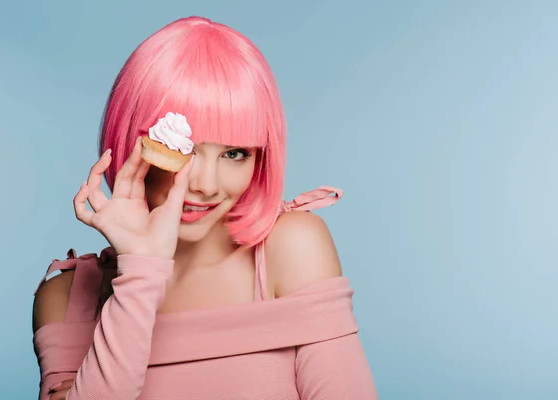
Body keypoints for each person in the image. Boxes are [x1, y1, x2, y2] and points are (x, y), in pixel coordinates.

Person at [32, 16, 378, 400]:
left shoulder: (292, 249)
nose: (206, 185)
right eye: (182, 149)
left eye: (234, 153)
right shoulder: (67, 298)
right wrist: (140, 275)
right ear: (131, 140)